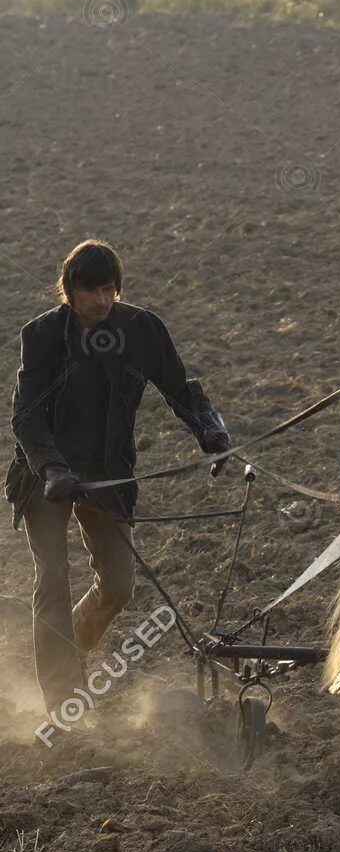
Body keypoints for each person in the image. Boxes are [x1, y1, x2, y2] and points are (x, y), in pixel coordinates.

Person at [5, 239, 231, 716]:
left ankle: (69, 650)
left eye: (109, 290)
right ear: (69, 291)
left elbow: (180, 387)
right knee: (53, 578)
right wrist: (53, 469)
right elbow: (25, 417)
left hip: (109, 475)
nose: (102, 302)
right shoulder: (42, 336)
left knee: (119, 586)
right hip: (45, 475)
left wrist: (209, 428)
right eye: (90, 292)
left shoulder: (142, 329)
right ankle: (63, 699)